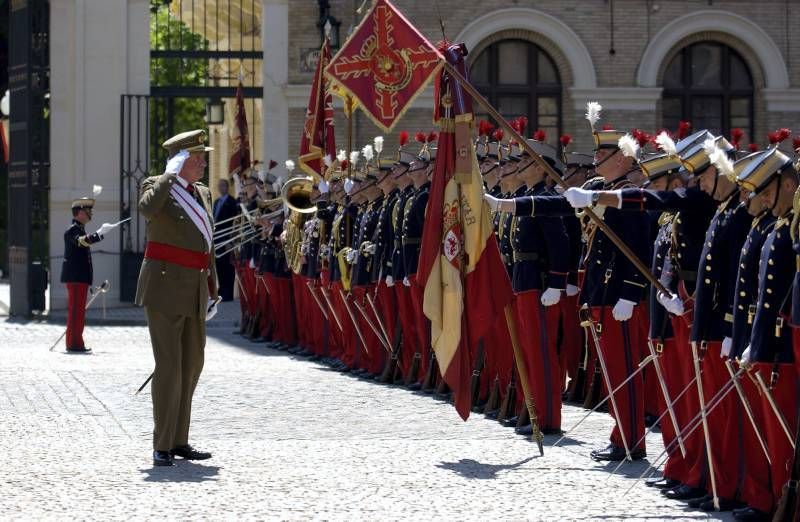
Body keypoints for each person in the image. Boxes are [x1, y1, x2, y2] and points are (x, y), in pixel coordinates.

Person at [136, 129, 218, 467]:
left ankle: (179, 439)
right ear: (179, 160)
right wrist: (168, 177)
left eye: (202, 158)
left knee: (191, 366)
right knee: (168, 367)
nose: (202, 163)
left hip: (196, 288)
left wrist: (213, 286)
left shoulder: (203, 193)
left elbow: (207, 245)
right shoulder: (157, 186)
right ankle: (161, 444)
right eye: (196, 158)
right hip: (165, 286)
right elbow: (146, 210)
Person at [60, 197, 115, 353]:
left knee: (78, 312)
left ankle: (76, 342)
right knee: (76, 312)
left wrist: (100, 234)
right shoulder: (72, 230)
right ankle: (74, 344)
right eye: (87, 211)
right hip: (76, 278)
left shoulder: (79, 229)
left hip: (80, 278)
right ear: (79, 213)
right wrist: (99, 233)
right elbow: (81, 242)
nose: (90, 213)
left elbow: (84, 240)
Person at [213, 178, 240, 301]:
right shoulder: (216, 202)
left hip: (227, 240)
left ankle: (228, 293)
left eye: (223, 186)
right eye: (219, 186)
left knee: (228, 267)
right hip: (217, 239)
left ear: (227, 187)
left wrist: (230, 241)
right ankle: (222, 290)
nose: (221, 188)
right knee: (219, 266)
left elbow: (234, 223)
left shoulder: (232, 202)